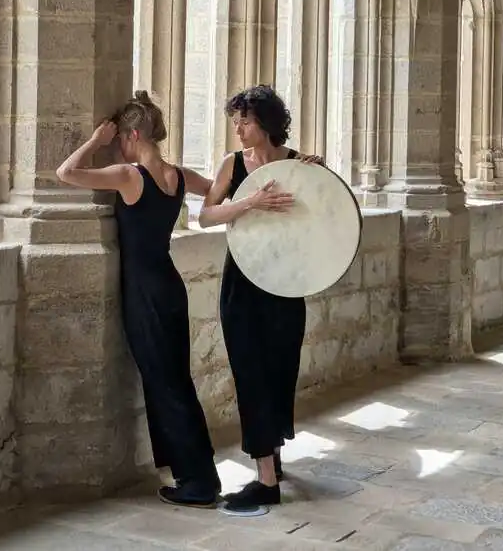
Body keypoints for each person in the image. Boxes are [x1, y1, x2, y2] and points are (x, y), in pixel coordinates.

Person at [56, 90, 221, 509]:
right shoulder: (178, 176)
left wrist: (95, 141)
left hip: (145, 292)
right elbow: (219, 188)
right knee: (173, 380)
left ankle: (200, 482)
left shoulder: (130, 176)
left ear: (132, 135)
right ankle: (194, 473)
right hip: (169, 286)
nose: (118, 149)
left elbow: (66, 173)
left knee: (167, 384)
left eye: (120, 142)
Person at [199, 84, 322, 512]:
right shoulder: (232, 165)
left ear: (266, 123)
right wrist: (249, 202)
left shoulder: (298, 164)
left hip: (287, 281)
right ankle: (266, 479)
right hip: (243, 282)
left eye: (245, 120)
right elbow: (204, 216)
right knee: (250, 373)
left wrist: (318, 176)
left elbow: (327, 213)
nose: (237, 127)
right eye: (235, 119)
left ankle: (272, 456)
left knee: (279, 371)